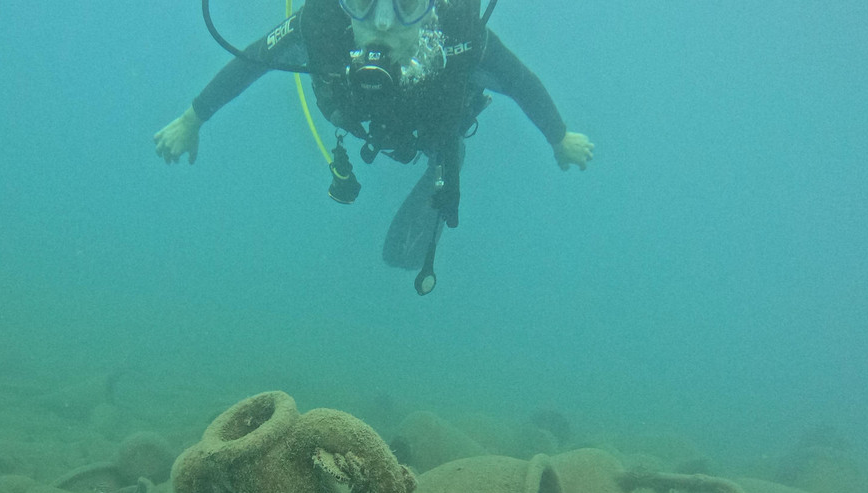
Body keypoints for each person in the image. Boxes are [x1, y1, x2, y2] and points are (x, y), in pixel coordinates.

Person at [155, 0, 593, 293]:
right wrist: (192, 120)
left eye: (406, 3)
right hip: (367, 128)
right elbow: (249, 61)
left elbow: (519, 81)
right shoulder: (321, 25)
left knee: (447, 145)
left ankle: (444, 163)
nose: (383, 21)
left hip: (434, 128)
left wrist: (560, 137)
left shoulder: (460, 35)